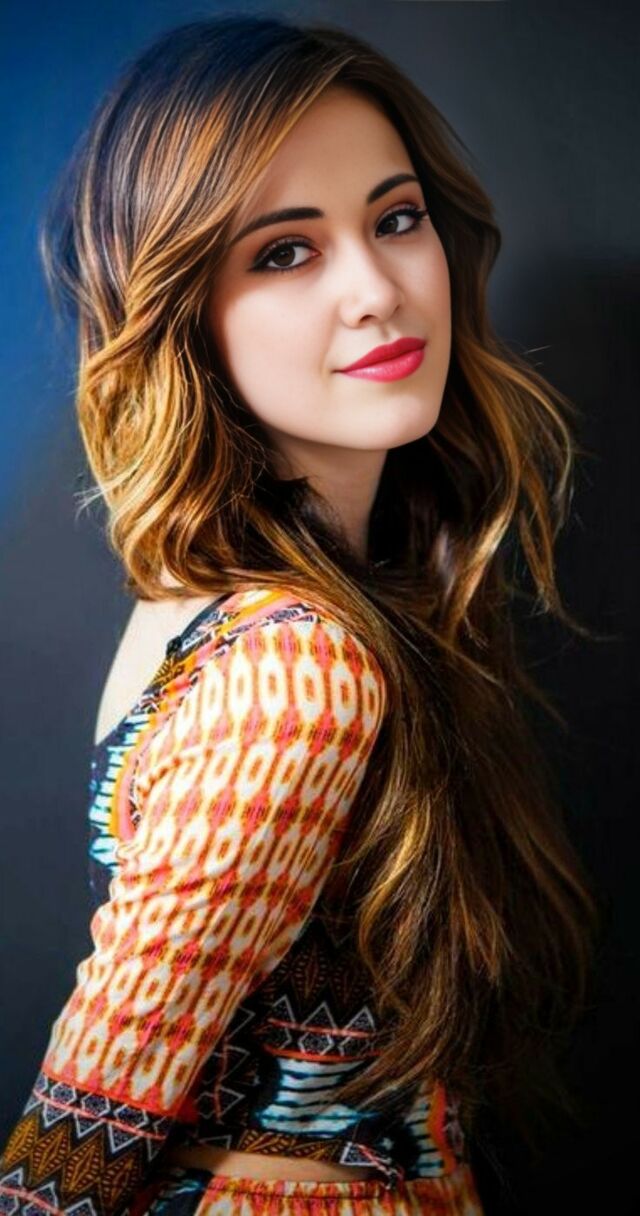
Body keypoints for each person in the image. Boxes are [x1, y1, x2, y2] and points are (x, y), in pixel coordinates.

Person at [0, 13, 601, 1216]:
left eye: (395, 219)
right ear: (185, 311)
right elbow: (82, 1137)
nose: (376, 291)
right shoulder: (299, 665)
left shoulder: (210, 598)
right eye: (284, 252)